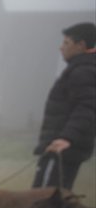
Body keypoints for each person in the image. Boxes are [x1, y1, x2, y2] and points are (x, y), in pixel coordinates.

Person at [31, 22, 96, 191]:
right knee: (51, 200)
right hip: (57, 147)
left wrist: (66, 138)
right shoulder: (81, 69)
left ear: (81, 45)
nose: (61, 48)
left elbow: (87, 108)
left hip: (60, 150)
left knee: (42, 199)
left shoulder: (83, 71)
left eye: (66, 43)